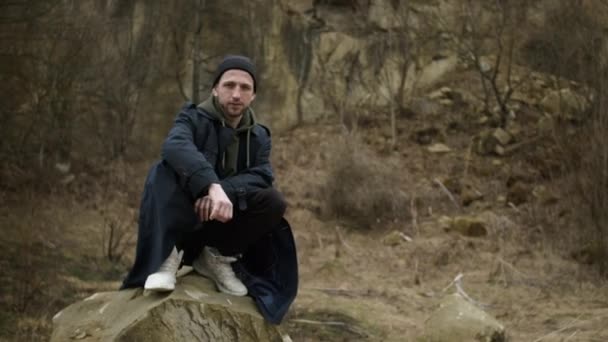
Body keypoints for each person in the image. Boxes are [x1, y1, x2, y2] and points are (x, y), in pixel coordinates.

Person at [121, 55, 298, 324]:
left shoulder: (259, 136)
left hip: (220, 226)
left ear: (253, 96)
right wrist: (208, 186)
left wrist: (219, 192)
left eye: (244, 88)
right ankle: (168, 256)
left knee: (273, 201)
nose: (236, 94)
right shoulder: (192, 117)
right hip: (183, 220)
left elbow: (262, 175)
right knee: (163, 169)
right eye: (229, 85)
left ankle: (214, 258)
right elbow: (174, 146)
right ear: (215, 89)